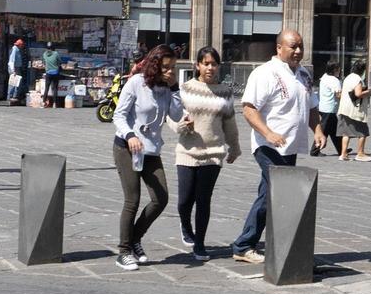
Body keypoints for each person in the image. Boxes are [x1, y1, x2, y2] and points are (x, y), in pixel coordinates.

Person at [230, 30, 325, 264]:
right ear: (279, 48)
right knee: (280, 194)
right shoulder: (265, 73)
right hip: (267, 146)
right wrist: (268, 133)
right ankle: (265, 246)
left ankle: (246, 245)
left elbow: (311, 106)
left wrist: (319, 130)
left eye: (301, 46)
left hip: (290, 146)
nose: (298, 51)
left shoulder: (304, 75)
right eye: (293, 46)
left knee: (267, 195)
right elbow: (249, 108)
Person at [112, 45, 187, 271]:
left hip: (151, 150)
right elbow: (119, 115)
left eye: (173, 67)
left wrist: (174, 88)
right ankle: (124, 251)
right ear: (155, 65)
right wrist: (130, 135)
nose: (170, 71)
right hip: (127, 147)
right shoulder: (136, 83)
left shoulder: (167, 88)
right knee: (132, 200)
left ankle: (135, 238)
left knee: (160, 198)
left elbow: (175, 114)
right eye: (166, 68)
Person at [170, 47, 240, 261]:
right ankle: (185, 225)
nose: (210, 67)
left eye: (214, 63)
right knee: (184, 201)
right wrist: (182, 127)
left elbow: (230, 123)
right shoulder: (185, 89)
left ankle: (199, 243)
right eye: (206, 63)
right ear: (197, 65)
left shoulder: (225, 92)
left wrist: (234, 147)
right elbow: (172, 118)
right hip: (187, 151)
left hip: (213, 152)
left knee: (203, 200)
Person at [338, 57, 371, 161]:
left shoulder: (348, 77)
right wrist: (368, 92)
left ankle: (343, 154)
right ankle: (360, 153)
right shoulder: (358, 79)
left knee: (346, 132)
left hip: (344, 108)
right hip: (355, 110)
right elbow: (358, 93)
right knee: (363, 131)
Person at [314, 61, 342, 156]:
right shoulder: (334, 80)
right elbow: (338, 94)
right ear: (334, 69)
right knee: (324, 130)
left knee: (334, 130)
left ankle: (341, 149)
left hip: (323, 106)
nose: (340, 70)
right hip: (330, 108)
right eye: (338, 68)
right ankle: (315, 150)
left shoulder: (324, 76)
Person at [41, 43, 63, 109]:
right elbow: (60, 62)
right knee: (55, 89)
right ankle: (54, 104)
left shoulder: (44, 54)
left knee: (46, 88)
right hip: (55, 73)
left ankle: (43, 102)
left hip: (48, 73)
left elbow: (44, 62)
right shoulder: (56, 53)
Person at [6, 38, 27, 106]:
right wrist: (13, 70)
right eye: (22, 45)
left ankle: (14, 97)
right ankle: (10, 97)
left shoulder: (17, 50)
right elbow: (12, 60)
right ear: (19, 45)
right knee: (13, 83)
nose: (22, 46)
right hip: (15, 68)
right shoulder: (15, 49)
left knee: (17, 83)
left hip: (17, 68)